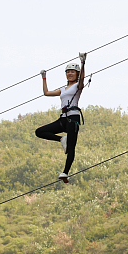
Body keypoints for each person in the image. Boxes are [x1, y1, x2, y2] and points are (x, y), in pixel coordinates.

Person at [36, 53, 87, 183]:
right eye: (68, 72)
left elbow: (82, 79)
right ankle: (61, 139)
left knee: (71, 147)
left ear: (77, 74)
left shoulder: (77, 86)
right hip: (63, 118)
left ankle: (65, 173)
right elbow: (46, 93)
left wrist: (83, 63)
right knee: (39, 131)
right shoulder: (63, 89)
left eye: (72, 72)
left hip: (73, 117)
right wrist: (44, 78)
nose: (70, 74)